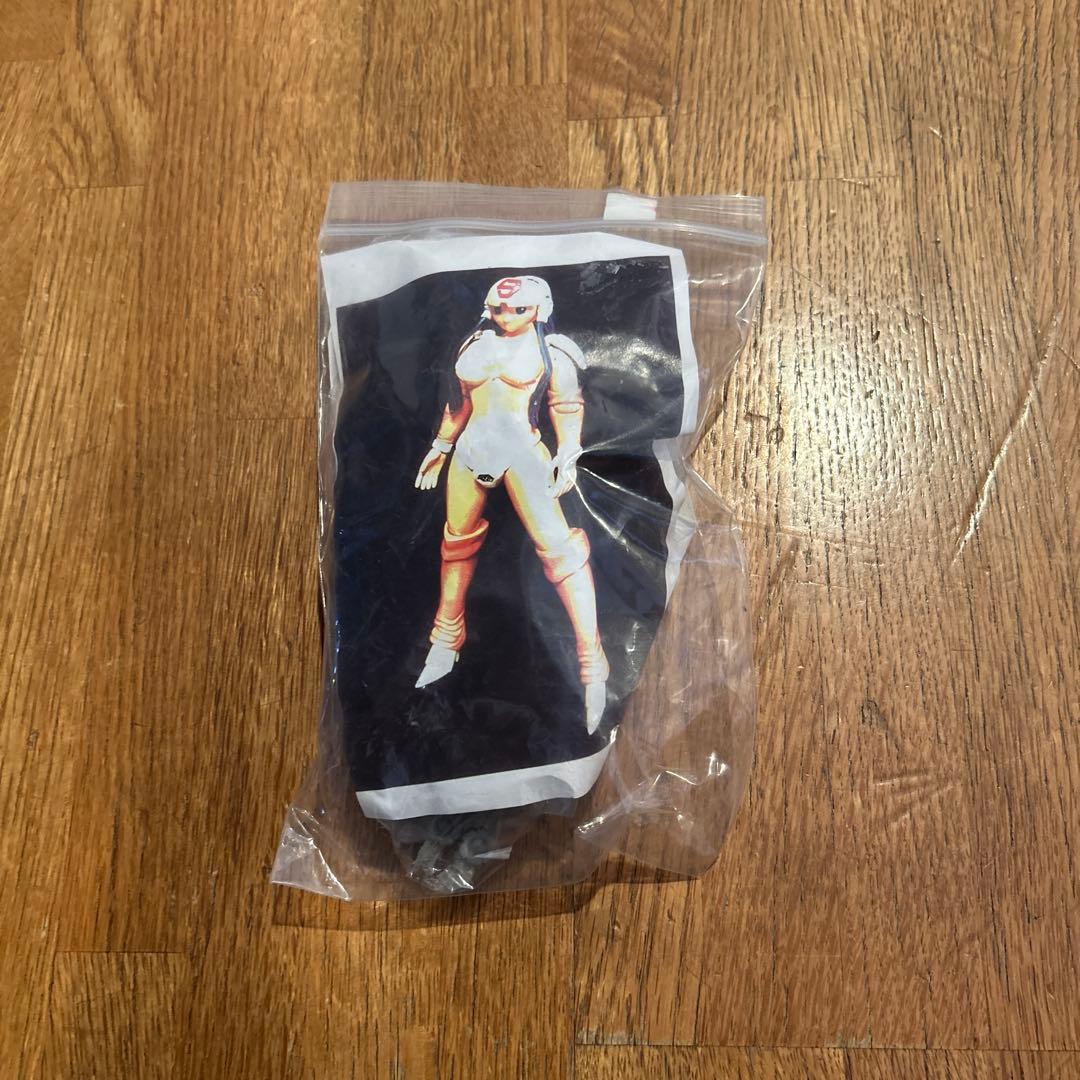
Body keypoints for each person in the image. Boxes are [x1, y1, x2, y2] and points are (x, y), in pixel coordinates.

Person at [413, 275, 608, 733]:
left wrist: (568, 451)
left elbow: (566, 404)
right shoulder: (474, 345)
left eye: (519, 309)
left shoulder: (552, 351)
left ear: (539, 309)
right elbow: (458, 402)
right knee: (456, 544)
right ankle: (446, 637)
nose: (507, 317)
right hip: (470, 451)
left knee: (561, 552)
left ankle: (592, 660)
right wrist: (441, 445)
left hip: (523, 453)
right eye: (500, 309)